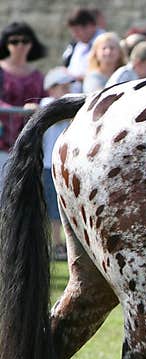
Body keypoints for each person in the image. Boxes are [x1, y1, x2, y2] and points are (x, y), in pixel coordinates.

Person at [0, 21, 46, 189]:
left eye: (25, 41)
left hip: (28, 141)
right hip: (2, 139)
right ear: (6, 44)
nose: (20, 45)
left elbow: (44, 98)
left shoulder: (37, 75)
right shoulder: (1, 70)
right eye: (14, 41)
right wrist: (20, 112)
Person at [40, 67, 76, 260]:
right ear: (51, 89)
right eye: (62, 86)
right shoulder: (47, 104)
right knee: (54, 208)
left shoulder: (70, 104)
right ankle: (57, 243)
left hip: (67, 164)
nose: (67, 89)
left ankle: (66, 244)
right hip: (48, 164)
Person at [63, 8, 104, 91]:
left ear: (90, 26)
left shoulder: (105, 44)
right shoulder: (79, 45)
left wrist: (76, 77)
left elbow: (106, 73)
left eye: (77, 31)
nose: (75, 35)